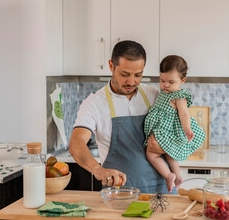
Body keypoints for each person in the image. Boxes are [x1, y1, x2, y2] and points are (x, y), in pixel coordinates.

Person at [69, 40, 176, 194]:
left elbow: (178, 131)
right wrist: (98, 170)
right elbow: (76, 143)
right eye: (125, 74)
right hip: (119, 194)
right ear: (111, 66)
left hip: (162, 190)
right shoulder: (94, 103)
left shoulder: (154, 96)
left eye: (138, 75)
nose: (131, 82)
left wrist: (167, 146)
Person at [144, 55, 205, 193]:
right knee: (170, 155)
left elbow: (184, 114)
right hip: (165, 131)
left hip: (167, 131)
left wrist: (187, 129)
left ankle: (168, 175)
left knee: (152, 154)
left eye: (170, 82)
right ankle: (178, 177)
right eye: (162, 80)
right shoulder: (164, 92)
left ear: (182, 80)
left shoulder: (179, 96)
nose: (165, 85)